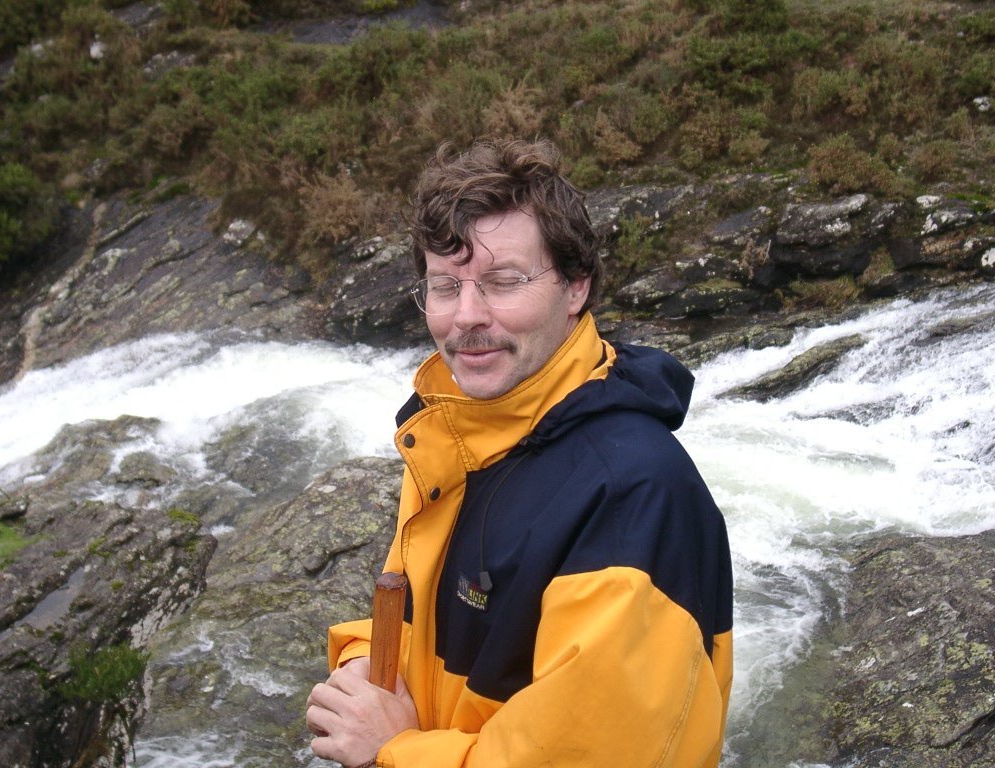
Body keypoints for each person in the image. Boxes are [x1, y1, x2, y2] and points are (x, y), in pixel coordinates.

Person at [305, 138, 733, 768]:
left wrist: (392, 750)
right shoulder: (459, 430)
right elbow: (446, 625)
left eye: (504, 281)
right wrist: (366, 664)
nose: (466, 317)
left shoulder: (633, 496)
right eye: (445, 286)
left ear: (575, 287)